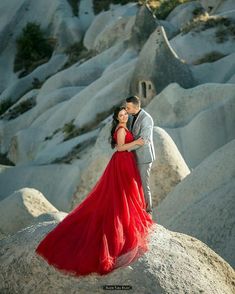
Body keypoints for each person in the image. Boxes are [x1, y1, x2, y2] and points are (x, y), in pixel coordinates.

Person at [35, 106, 155, 277]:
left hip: (125, 161)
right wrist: (137, 143)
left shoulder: (125, 127)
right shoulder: (121, 129)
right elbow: (120, 148)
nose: (123, 116)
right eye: (121, 115)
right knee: (121, 193)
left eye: (125, 114)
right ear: (117, 117)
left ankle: (127, 214)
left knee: (125, 192)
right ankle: (122, 218)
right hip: (122, 160)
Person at [125, 96, 155, 214]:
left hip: (144, 158)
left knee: (143, 185)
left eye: (128, 107)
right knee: (134, 185)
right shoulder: (132, 117)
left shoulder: (146, 119)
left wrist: (126, 149)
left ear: (136, 107)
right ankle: (138, 210)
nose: (126, 109)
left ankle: (148, 212)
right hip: (134, 156)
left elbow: (144, 140)